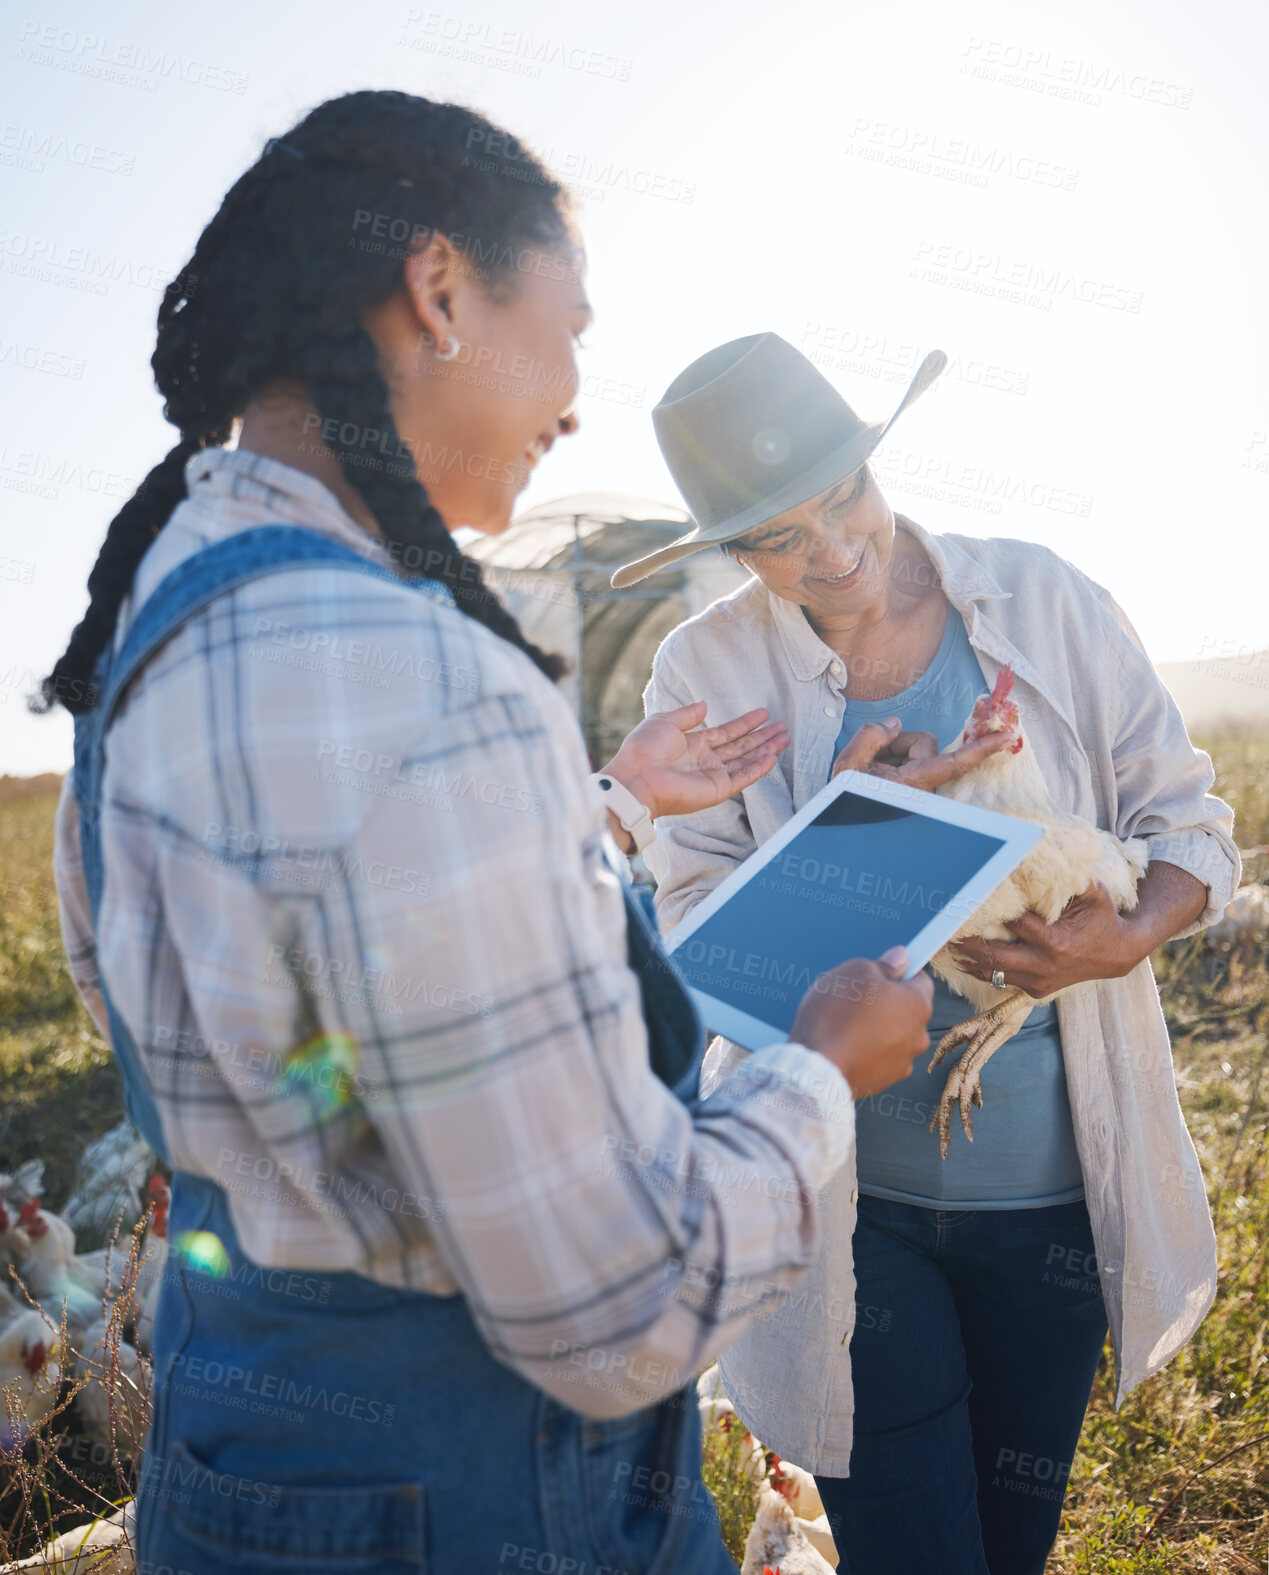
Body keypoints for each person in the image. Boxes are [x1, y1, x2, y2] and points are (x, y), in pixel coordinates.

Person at [40, 99, 934, 1572]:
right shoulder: (431, 680)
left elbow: (293, 982)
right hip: (489, 1501)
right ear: (441, 289)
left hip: (238, 1475)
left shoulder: (148, 631)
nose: (576, 394)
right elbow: (613, 1306)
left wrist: (611, 805)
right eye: (569, 325)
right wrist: (821, 1070)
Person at [615, 333, 1241, 1575]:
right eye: (781, 537)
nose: (835, 548)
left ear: (873, 459)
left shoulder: (1046, 602)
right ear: (732, 555)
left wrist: (1126, 937)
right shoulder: (707, 671)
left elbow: (1192, 827)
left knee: (1008, 1543)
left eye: (844, 496)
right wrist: (839, 835)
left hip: (1046, 1197)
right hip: (855, 1207)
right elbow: (695, 947)